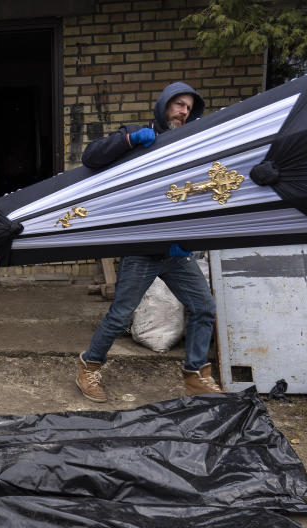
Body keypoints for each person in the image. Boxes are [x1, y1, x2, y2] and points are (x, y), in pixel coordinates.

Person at [75, 82, 224, 402]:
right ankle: (89, 366)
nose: (183, 111)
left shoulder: (191, 147)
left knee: (204, 307)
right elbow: (91, 156)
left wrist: (189, 239)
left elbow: (197, 196)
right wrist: (129, 140)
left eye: (188, 107)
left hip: (175, 251)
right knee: (120, 315)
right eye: (178, 104)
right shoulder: (139, 136)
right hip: (141, 249)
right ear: (164, 105)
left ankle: (196, 375)